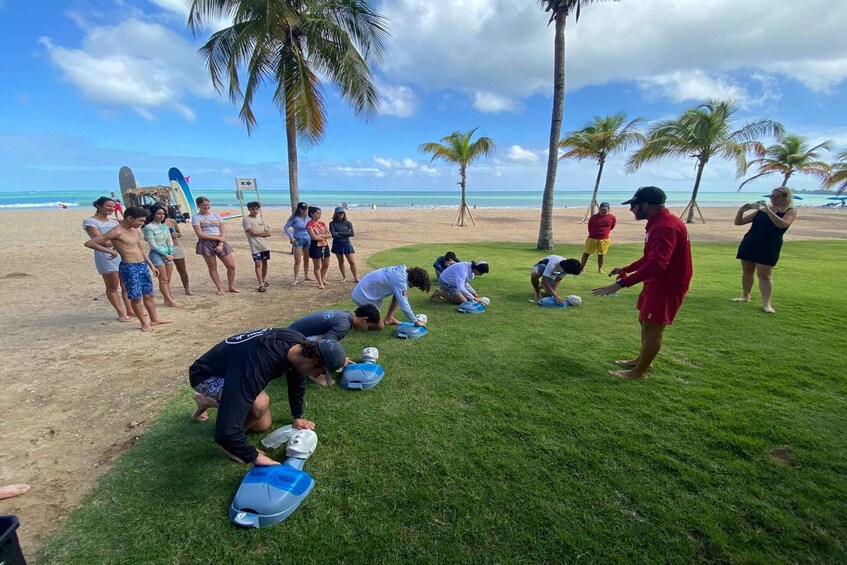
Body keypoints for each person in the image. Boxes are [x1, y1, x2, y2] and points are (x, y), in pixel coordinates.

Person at [189, 328, 349, 465]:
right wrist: (254, 457)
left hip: (235, 369)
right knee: (259, 404)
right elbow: (225, 432)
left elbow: (297, 380)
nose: (320, 376)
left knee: (261, 425)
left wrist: (297, 416)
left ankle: (206, 401)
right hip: (207, 374)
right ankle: (230, 445)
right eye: (322, 372)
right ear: (314, 360)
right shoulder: (257, 366)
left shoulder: (299, 345)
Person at [592, 186, 692, 380]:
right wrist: (626, 269)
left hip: (667, 284)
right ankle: (642, 360)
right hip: (656, 282)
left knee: (653, 326)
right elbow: (650, 257)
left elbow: (658, 263)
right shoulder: (658, 222)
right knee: (645, 320)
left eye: (634, 205)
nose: (631, 210)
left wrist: (622, 284)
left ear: (645, 205)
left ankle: (640, 372)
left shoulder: (665, 226)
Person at [84, 206, 172, 332]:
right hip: (129, 266)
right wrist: (111, 252)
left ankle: (154, 318)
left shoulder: (135, 231)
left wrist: (151, 265)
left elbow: (140, 249)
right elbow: (90, 243)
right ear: (130, 218)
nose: (142, 223)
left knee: (149, 294)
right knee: (136, 297)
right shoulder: (117, 231)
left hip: (142, 264)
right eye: (140, 221)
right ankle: (144, 323)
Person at [732, 187, 797, 314]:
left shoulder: (790, 211)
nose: (772, 199)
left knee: (765, 275)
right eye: (771, 196)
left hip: (769, 245)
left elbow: (782, 224)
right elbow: (739, 223)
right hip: (751, 242)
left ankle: (767, 304)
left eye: (776, 196)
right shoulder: (760, 212)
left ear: (785, 197)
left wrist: (768, 211)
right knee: (747, 270)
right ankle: (745, 296)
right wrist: (741, 212)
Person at [83, 196, 133, 322]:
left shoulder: (114, 222)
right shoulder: (90, 222)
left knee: (125, 284)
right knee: (112, 286)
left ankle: (130, 310)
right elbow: (101, 240)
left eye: (113, 206)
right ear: (99, 206)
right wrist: (114, 241)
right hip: (104, 254)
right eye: (108, 206)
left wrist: (116, 242)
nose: (111, 208)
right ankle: (121, 312)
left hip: (119, 252)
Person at [352, 265, 431, 328]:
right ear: (414, 282)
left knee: (398, 295)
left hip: (368, 294)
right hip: (363, 296)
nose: (413, 287)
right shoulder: (400, 280)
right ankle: (352, 317)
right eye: (416, 286)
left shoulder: (402, 271)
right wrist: (416, 321)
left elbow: (401, 297)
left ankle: (389, 318)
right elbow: (404, 305)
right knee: (379, 326)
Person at [192, 196, 239, 295]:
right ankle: (219, 288)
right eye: (203, 205)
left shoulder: (216, 215)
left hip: (220, 241)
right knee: (212, 267)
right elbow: (200, 234)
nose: (206, 207)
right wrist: (217, 238)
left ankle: (231, 286)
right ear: (199, 206)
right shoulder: (196, 217)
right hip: (206, 242)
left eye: (207, 204)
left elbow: (222, 230)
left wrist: (221, 243)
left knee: (231, 266)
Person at [143, 204, 180, 308]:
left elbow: (169, 240)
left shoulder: (164, 226)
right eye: (158, 213)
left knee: (168, 279)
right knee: (163, 279)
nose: (161, 216)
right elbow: (153, 245)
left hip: (168, 253)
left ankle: (167, 298)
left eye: (163, 214)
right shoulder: (149, 227)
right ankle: (169, 300)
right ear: (153, 214)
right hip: (157, 254)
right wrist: (165, 255)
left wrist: (170, 253)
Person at [288, 304, 382, 341]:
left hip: (289, 333)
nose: (365, 330)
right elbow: (327, 344)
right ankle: (314, 373)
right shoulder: (344, 324)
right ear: (364, 319)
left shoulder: (344, 314)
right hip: (289, 340)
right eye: (368, 327)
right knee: (329, 346)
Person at [242, 201, 272, 292]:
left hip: (264, 246)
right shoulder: (246, 220)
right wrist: (263, 234)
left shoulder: (261, 219)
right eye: (253, 209)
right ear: (249, 209)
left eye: (256, 209)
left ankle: (262, 279)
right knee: (258, 264)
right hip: (255, 247)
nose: (255, 211)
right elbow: (252, 233)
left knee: (265, 263)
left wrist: (261, 234)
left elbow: (269, 233)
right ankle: (260, 284)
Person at [581, 202, 617, 273]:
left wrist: (604, 233)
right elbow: (589, 227)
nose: (603, 211)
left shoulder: (612, 218)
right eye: (601, 209)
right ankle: (581, 268)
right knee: (586, 253)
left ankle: (600, 269)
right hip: (592, 238)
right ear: (599, 209)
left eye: (605, 209)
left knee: (601, 254)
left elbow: (612, 227)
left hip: (604, 238)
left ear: (608, 209)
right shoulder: (594, 217)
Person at [283, 202, 312, 285]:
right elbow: (286, 227)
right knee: (297, 260)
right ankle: (296, 278)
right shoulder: (295, 218)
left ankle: (306, 275)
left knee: (306, 259)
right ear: (299, 209)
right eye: (302, 209)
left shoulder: (309, 217)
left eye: (305, 208)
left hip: (308, 239)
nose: (304, 210)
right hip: (298, 239)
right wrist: (291, 237)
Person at [329, 207, 359, 282]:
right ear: (336, 214)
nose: (341, 214)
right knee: (341, 261)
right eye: (339, 213)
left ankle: (355, 277)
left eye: (342, 213)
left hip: (346, 243)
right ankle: (344, 277)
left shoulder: (348, 223)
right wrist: (346, 233)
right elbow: (333, 235)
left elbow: (351, 233)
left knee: (352, 262)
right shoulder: (332, 223)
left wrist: (339, 233)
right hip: (337, 243)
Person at [165, 215, 192, 295]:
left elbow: (179, 233)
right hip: (164, 248)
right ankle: (167, 290)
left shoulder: (172, 221)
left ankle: (187, 288)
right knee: (166, 272)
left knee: (182, 269)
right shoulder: (155, 223)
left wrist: (176, 235)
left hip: (175, 246)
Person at [306, 206, 331, 288]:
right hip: (315, 246)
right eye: (317, 213)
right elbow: (314, 237)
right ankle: (320, 282)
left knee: (326, 264)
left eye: (320, 213)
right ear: (312, 214)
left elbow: (329, 234)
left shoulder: (322, 224)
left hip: (324, 245)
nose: (319, 215)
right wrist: (324, 236)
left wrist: (321, 236)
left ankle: (322, 278)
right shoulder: (309, 225)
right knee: (317, 265)